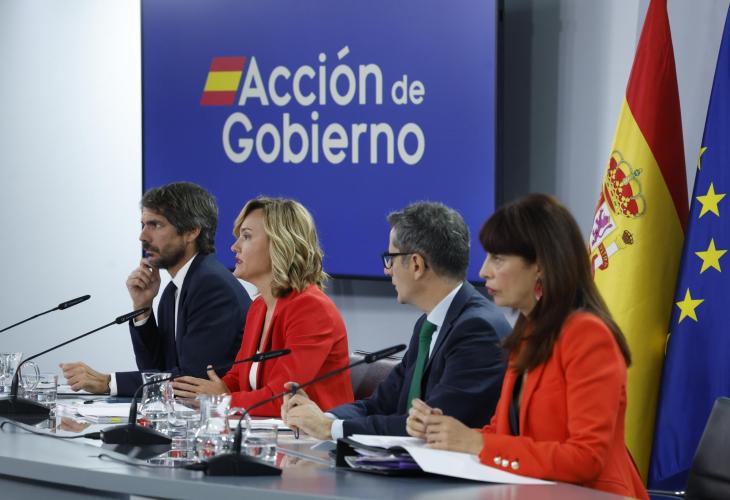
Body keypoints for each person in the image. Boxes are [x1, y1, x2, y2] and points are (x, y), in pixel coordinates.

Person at [406, 194, 648, 499]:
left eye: (498, 258)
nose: (483, 271)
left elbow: (585, 458)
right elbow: (504, 433)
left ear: (541, 266)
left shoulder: (588, 336)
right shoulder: (528, 333)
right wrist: (443, 431)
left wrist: (476, 443)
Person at [281, 202, 510, 440]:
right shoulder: (428, 325)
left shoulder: (477, 330)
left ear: (416, 264)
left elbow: (427, 429)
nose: (387, 270)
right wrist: (321, 418)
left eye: (390, 258)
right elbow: (378, 406)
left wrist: (331, 429)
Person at [61, 182, 250, 396]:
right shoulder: (173, 290)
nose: (143, 236)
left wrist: (108, 383)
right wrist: (142, 308)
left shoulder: (212, 287)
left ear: (191, 232)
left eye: (156, 225)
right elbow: (155, 370)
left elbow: (192, 381)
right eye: (143, 225)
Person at [172, 197, 353, 416]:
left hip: (312, 434)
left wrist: (220, 400)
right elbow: (238, 377)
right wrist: (202, 393)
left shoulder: (311, 309)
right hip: (271, 430)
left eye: (246, 236)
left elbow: (282, 398)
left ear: (280, 244)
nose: (234, 247)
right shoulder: (259, 307)